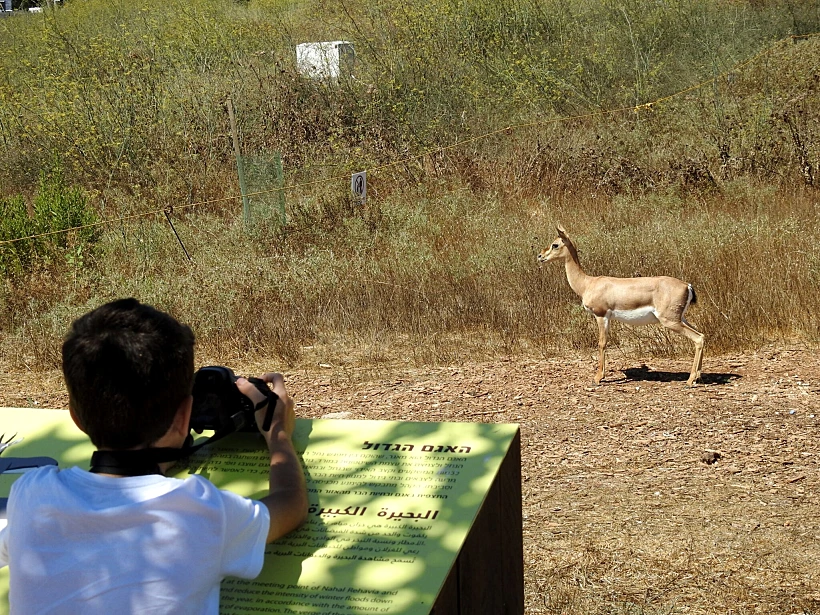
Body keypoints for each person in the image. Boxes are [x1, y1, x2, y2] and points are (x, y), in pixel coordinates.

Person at [0, 298, 308, 614]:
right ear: (184, 416)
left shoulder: (31, 496)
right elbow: (291, 504)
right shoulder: (198, 510)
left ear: (75, 417)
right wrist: (277, 433)